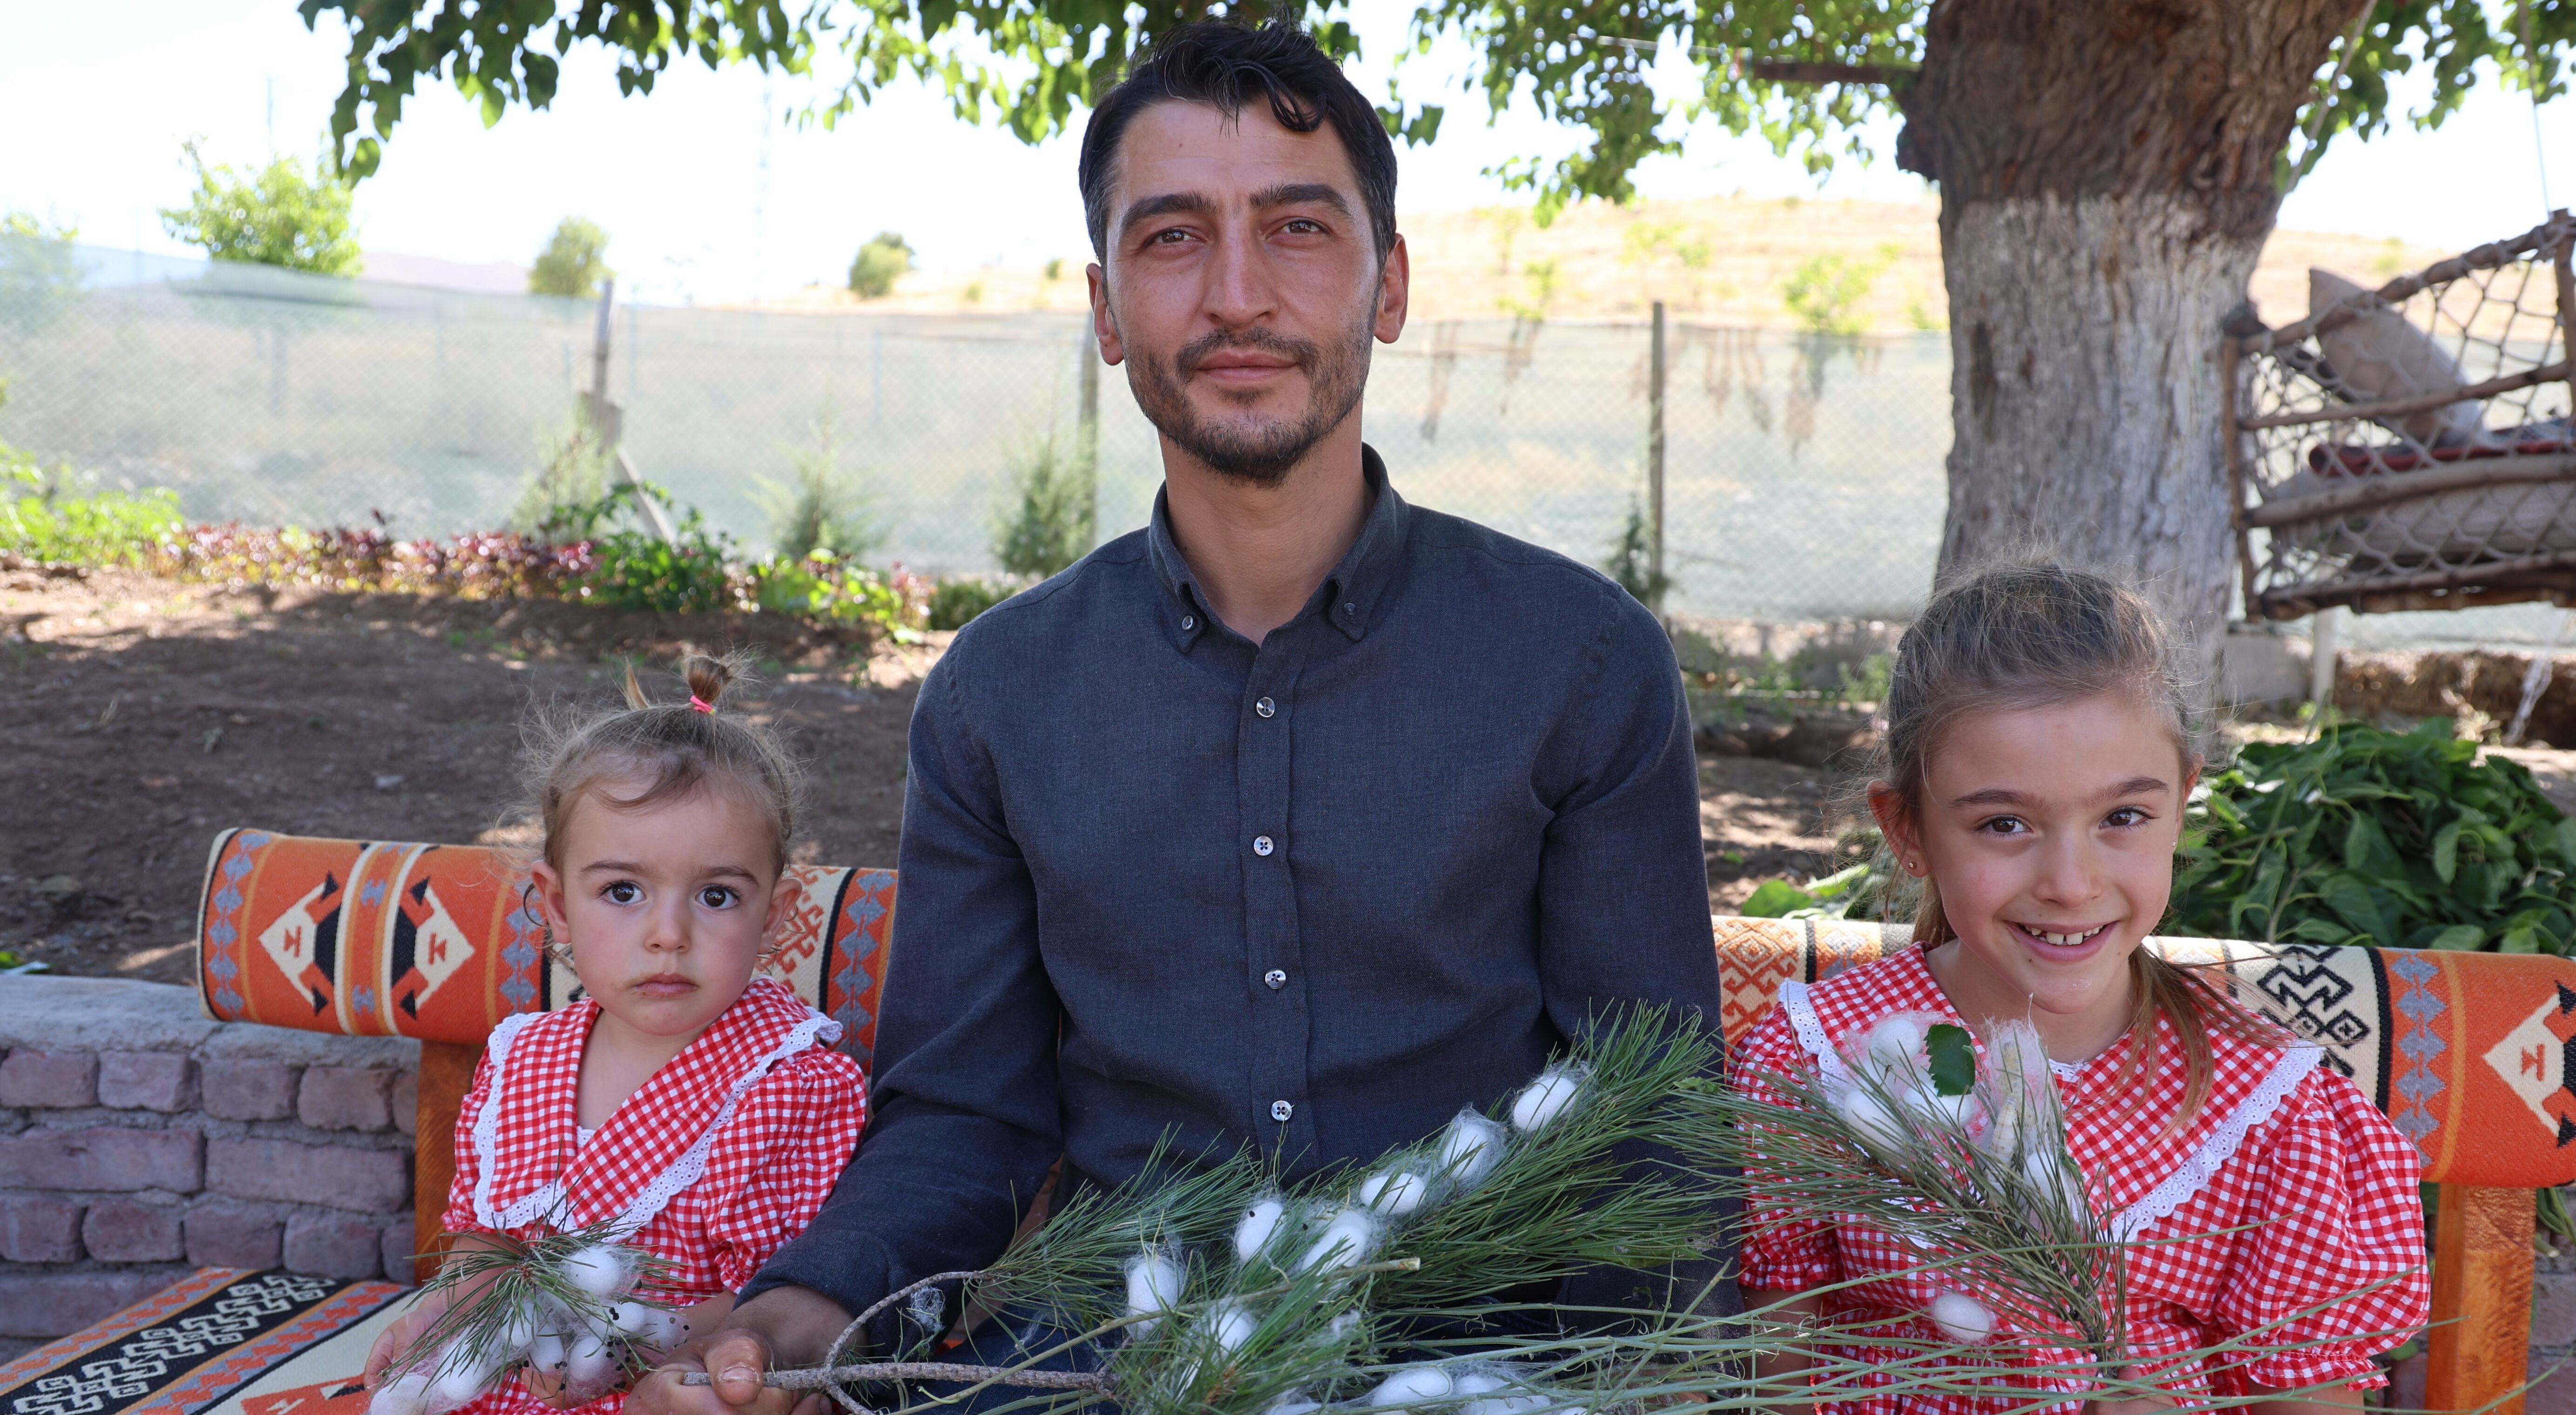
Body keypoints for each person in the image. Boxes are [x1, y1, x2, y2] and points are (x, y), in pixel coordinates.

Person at [635, 19, 1723, 1415]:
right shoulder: (996, 694)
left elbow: (1650, 1130)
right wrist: (806, 1307)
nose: (1234, 294)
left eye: (1296, 229)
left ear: (1385, 286)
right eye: (1169, 239)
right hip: (1100, 1365)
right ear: (1103, 311)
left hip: (1474, 1368)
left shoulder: (1579, 664)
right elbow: (963, 1115)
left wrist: (1636, 1390)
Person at [1734, 562, 2428, 1414]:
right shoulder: (1822, 1058)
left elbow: (2308, 1397)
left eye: (2122, 817)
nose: (2070, 882)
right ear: (1908, 831)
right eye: (2003, 824)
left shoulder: (2264, 1107)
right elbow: (1773, 1357)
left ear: (2181, 804)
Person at [364, 656, 870, 1415]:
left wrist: (605, 1343)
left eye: (718, 894)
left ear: (777, 913)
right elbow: (486, 1238)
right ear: (556, 904)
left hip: (679, 1393)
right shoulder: (520, 1062)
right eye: (623, 892)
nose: (669, 934)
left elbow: (770, 1304)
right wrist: (459, 1311)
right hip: (509, 1386)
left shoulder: (793, 1086)